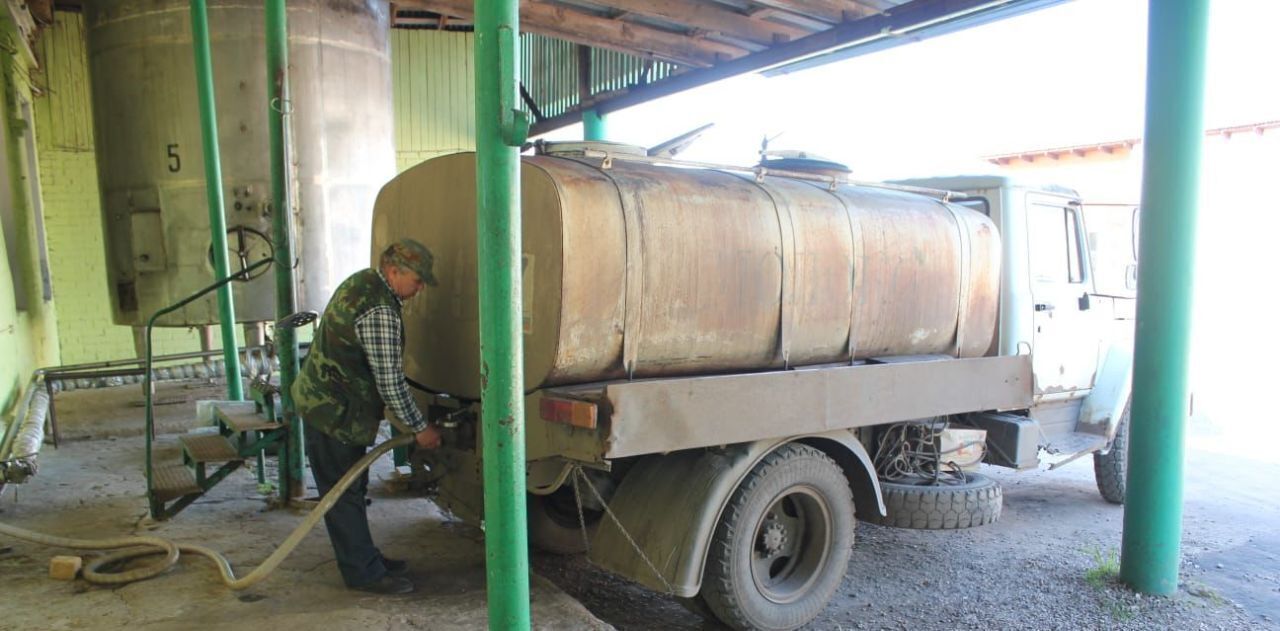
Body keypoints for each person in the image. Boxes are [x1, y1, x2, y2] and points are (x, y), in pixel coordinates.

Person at [292, 238, 443, 595]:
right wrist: (420, 429)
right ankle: (363, 573)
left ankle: (364, 556)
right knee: (342, 494)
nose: (420, 288)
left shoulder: (365, 282)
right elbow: (390, 383)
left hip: (329, 404)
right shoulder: (379, 311)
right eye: (417, 280)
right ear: (394, 272)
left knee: (351, 489)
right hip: (334, 414)